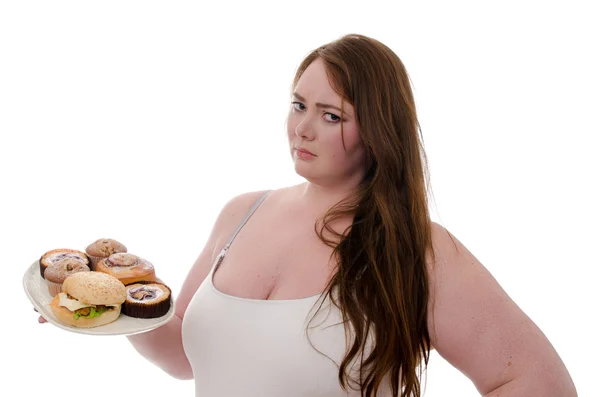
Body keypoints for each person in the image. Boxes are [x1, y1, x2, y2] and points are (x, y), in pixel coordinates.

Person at [38, 34, 577, 396]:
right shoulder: (241, 213)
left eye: (331, 115)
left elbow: (536, 382)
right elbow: (184, 353)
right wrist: (110, 311)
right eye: (298, 105)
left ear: (379, 131)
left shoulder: (417, 247)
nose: (303, 129)